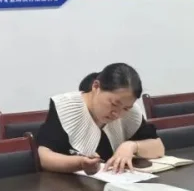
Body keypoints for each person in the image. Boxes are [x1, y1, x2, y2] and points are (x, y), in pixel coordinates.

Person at [36, 63, 165, 174]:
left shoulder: (130, 112)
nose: (117, 114)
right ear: (96, 86)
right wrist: (80, 163)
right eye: (114, 104)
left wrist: (131, 146)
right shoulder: (66, 107)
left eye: (126, 108)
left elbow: (158, 148)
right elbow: (44, 157)